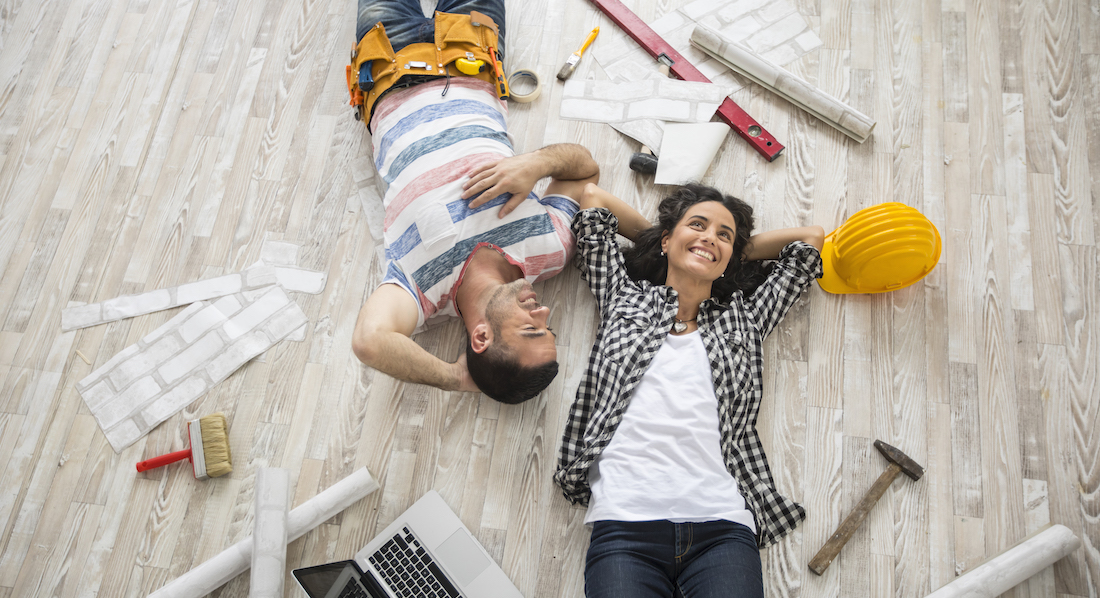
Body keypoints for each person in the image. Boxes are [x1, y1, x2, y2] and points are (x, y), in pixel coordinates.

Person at [554, 183, 825, 597]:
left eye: (724, 234)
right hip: (625, 528)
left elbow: (810, 239)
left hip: (722, 528)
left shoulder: (745, 321)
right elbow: (593, 198)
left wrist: (716, 253)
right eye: (698, 225)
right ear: (666, 239)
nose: (710, 236)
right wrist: (681, 241)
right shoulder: (621, 297)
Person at [349, 0, 601, 403]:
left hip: (389, 61)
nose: (544, 313)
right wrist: (536, 164)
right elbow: (585, 170)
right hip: (470, 51)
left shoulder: (421, 292)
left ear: (481, 336)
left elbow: (369, 341)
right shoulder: (549, 251)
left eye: (532, 328)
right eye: (547, 328)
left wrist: (455, 378)